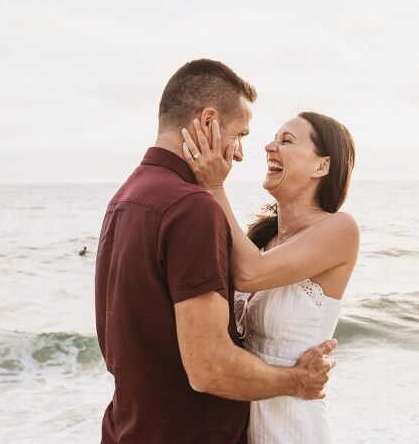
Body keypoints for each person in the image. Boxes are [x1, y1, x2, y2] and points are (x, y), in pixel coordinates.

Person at [94, 59, 336, 444]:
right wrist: (298, 381)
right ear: (208, 121)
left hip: (129, 428)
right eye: (239, 134)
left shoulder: (125, 197)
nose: (240, 154)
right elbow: (209, 368)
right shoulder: (191, 207)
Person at [181, 109, 359, 443]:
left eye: (286, 141)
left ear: (322, 166)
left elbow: (249, 274)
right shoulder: (257, 242)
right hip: (240, 427)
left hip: (293, 426)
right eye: (274, 138)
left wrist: (213, 185)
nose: (269, 147)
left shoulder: (340, 229)